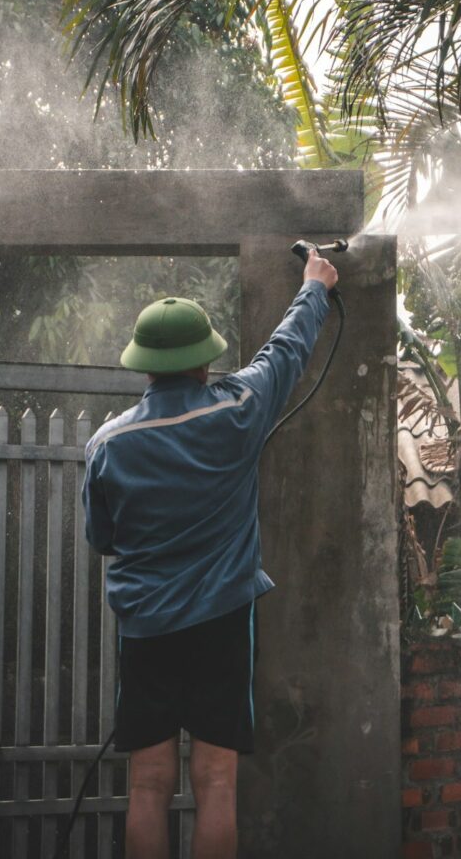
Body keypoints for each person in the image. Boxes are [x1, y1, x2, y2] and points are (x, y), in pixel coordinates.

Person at [83, 249, 338, 859]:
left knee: (146, 786)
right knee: (217, 784)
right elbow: (285, 352)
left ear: (144, 366)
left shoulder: (107, 444)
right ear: (204, 363)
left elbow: (102, 539)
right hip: (222, 626)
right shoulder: (239, 411)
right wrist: (315, 286)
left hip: (145, 631)